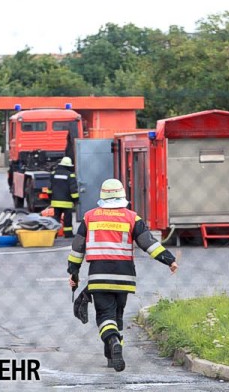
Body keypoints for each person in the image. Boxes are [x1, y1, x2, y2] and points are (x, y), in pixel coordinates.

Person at [67, 178, 178, 372]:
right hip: (124, 277)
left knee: (104, 315)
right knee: (117, 315)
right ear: (122, 196)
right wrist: (169, 259)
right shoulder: (131, 217)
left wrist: (73, 272)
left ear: (102, 196)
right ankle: (112, 355)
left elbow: (78, 248)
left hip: (99, 276)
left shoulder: (89, 217)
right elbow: (148, 243)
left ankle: (113, 341)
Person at [47, 156, 79, 238]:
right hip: (67, 202)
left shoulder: (53, 174)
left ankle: (54, 234)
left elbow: (49, 188)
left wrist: (51, 197)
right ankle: (68, 234)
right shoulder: (70, 175)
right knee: (67, 219)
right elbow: (73, 190)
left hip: (55, 201)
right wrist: (76, 199)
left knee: (56, 218)